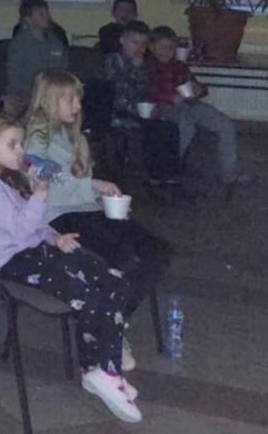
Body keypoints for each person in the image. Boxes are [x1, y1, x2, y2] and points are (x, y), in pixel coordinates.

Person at [0, 114, 142, 423]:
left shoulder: (7, 177)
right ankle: (108, 371)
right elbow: (20, 228)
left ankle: (95, 368)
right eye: (12, 145)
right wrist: (40, 194)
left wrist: (55, 237)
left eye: (20, 144)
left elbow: (35, 224)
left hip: (31, 250)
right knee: (86, 293)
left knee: (112, 279)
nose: (21, 151)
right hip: (5, 262)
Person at [23, 70, 173, 367]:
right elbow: (48, 179)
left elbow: (79, 186)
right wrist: (94, 185)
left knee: (158, 251)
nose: (77, 105)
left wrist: (105, 202)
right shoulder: (36, 138)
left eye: (77, 98)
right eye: (69, 99)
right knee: (124, 256)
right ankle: (109, 328)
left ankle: (113, 321)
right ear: (49, 100)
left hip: (87, 211)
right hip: (61, 217)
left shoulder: (71, 134)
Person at [146, 26, 249, 188]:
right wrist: (172, 97)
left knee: (225, 125)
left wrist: (199, 89)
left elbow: (196, 85)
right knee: (185, 124)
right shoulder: (148, 66)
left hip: (190, 104)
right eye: (163, 47)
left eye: (171, 48)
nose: (167, 51)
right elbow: (147, 91)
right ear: (152, 47)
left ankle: (229, 173)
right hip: (164, 107)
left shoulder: (179, 66)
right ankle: (166, 171)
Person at [102, 22, 182, 183]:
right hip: (114, 112)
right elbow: (115, 88)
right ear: (122, 41)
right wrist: (133, 68)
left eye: (143, 44)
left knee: (169, 128)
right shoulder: (110, 61)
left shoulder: (146, 65)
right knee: (153, 130)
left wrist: (157, 105)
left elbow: (147, 90)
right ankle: (151, 174)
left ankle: (165, 176)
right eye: (135, 43)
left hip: (139, 112)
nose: (139, 48)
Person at [6, 0, 68, 106]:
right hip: (25, 94)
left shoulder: (56, 41)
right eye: (41, 14)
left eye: (47, 13)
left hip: (51, 93)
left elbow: (62, 69)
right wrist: (35, 92)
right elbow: (14, 77)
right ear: (28, 19)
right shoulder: (19, 43)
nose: (46, 17)